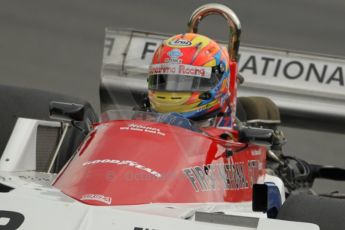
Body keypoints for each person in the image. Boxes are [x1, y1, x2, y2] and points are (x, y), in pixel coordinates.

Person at [145, 33, 234, 128]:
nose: (172, 93)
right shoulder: (141, 119)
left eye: (186, 80)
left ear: (216, 80)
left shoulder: (228, 137)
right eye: (164, 80)